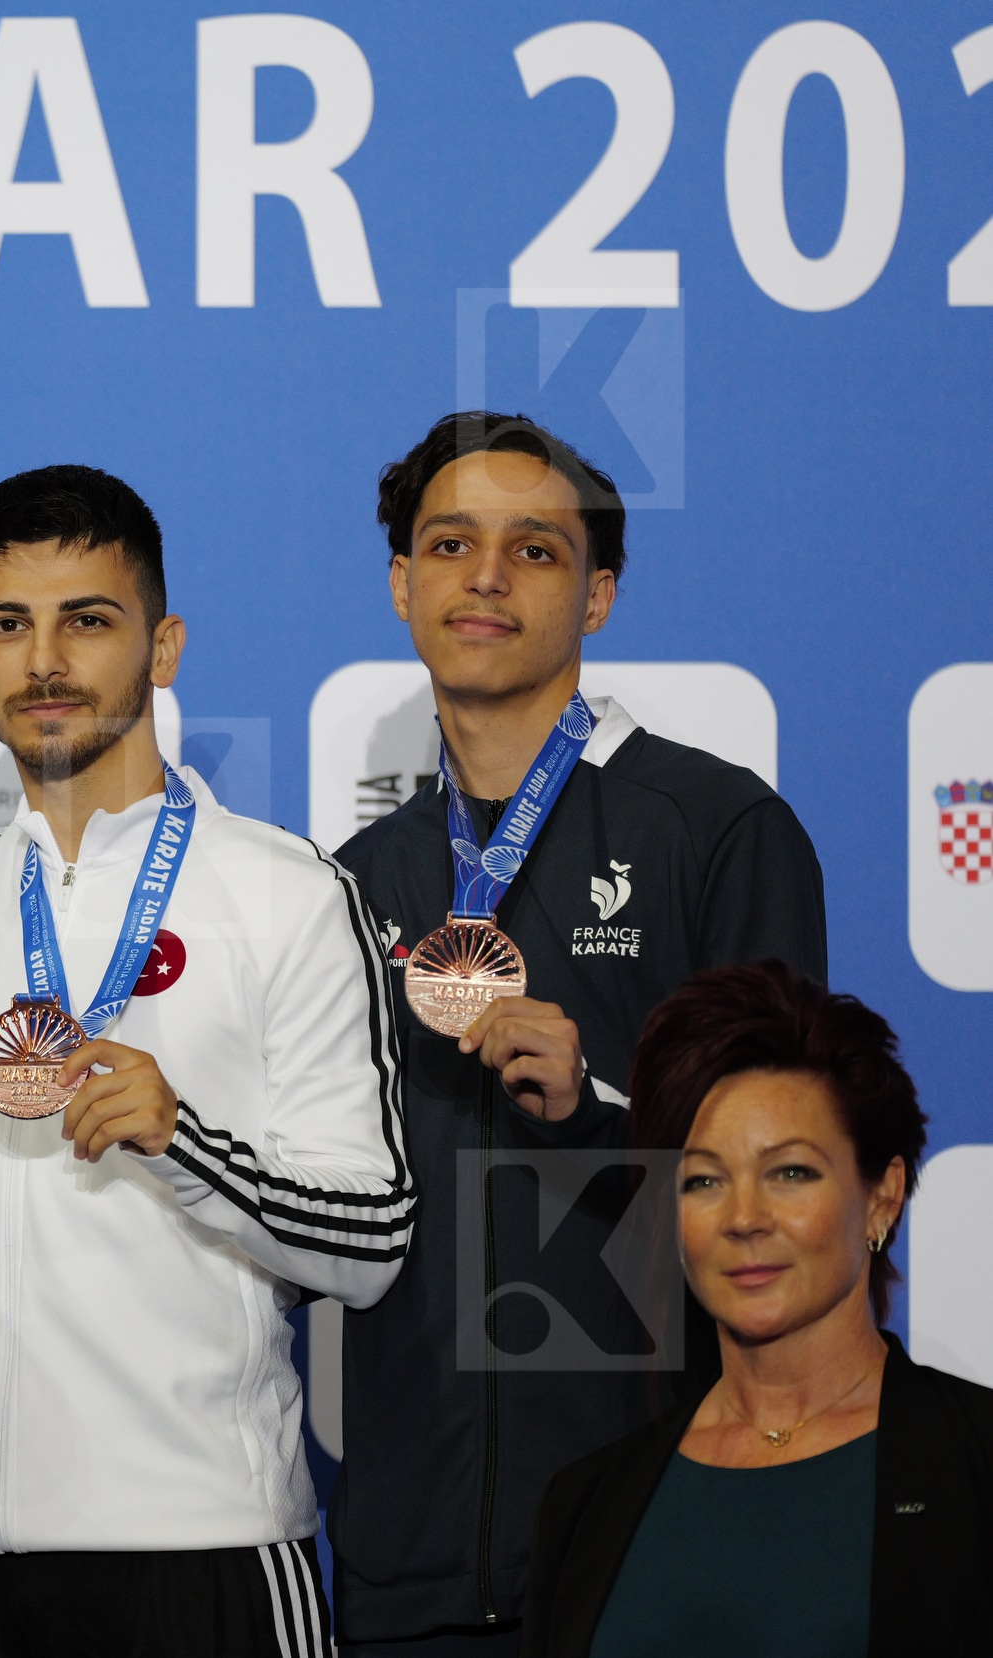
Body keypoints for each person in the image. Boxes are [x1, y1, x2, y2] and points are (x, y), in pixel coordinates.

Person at [0, 465, 414, 1658]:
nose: (46, 660)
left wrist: (182, 1141)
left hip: (200, 1545)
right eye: (6, 626)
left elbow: (372, 1241)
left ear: (162, 645)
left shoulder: (283, 892)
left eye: (89, 618)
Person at [330, 412, 830, 1654]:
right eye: (449, 543)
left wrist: (602, 1106)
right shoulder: (343, 882)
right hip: (412, 1563)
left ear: (598, 594)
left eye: (535, 550)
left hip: (662, 1538)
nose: (485, 575)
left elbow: (801, 1178)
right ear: (402, 584)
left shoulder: (712, 826)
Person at [522, 961, 993, 1654]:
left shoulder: (977, 1465)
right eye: (705, 1179)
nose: (744, 1218)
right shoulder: (585, 1507)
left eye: (791, 1172)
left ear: (883, 1197)